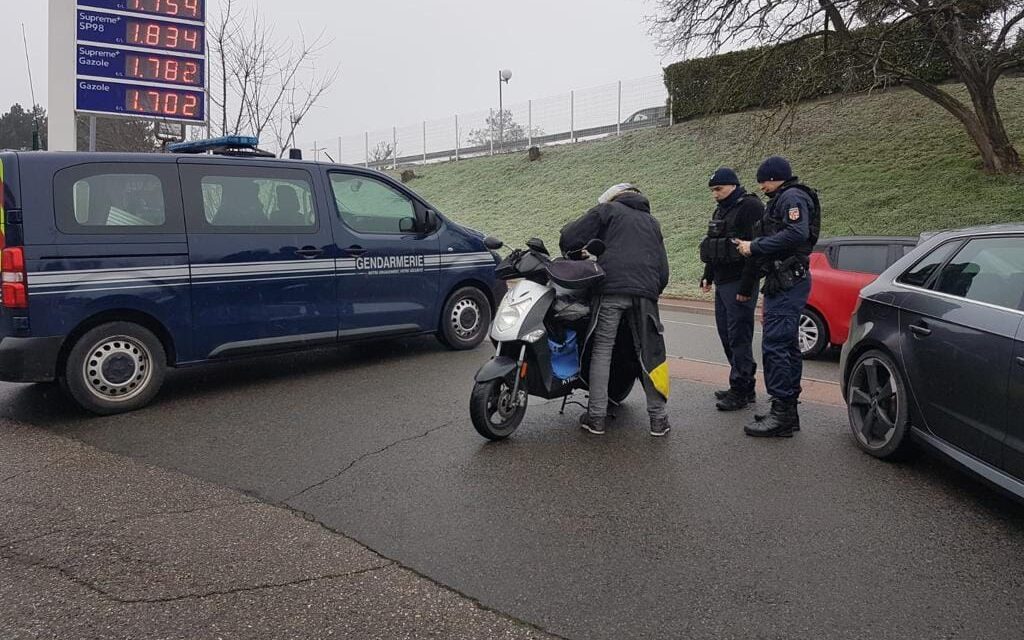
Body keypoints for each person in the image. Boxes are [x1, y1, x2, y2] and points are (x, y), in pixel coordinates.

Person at [559, 183, 672, 437]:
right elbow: (663, 270)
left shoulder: (607, 211)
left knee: (602, 350)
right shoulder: (652, 223)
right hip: (645, 294)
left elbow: (570, 237)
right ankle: (658, 420)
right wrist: (651, 291)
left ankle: (596, 418)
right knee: (650, 354)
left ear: (613, 197)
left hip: (611, 289)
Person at [734, 156, 820, 438]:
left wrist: (754, 246)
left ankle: (781, 413)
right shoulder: (786, 197)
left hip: (787, 280)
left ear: (774, 177)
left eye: (764, 181)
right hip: (783, 279)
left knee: (775, 346)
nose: (761, 187)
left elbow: (796, 234)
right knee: (786, 345)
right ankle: (786, 411)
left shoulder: (791, 197)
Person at [698, 167, 764, 412]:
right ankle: (740, 382)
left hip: (740, 282)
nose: (715, 194)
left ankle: (743, 389)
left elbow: (755, 250)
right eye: (713, 190)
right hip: (723, 281)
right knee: (726, 335)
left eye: (719, 189)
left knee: (739, 337)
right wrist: (708, 275)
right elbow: (714, 245)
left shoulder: (750, 207)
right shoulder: (721, 209)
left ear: (733, 185)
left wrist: (747, 287)